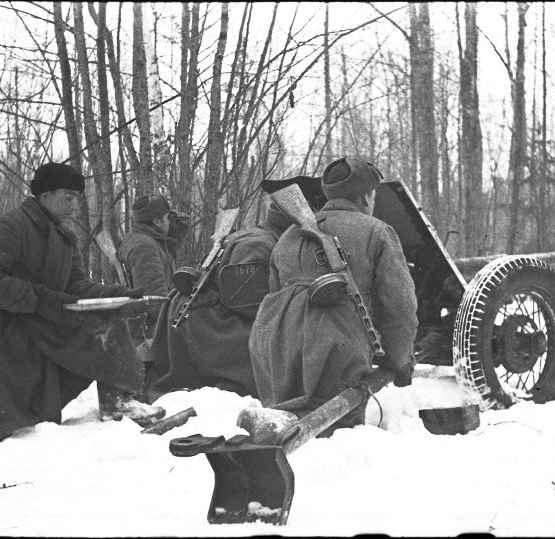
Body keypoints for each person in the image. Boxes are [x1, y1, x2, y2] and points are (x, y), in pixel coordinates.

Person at [0, 162, 165, 441]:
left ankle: (117, 401)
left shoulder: (65, 238)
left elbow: (76, 285)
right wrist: (40, 299)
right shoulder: (10, 226)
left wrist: (118, 294)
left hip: (44, 324)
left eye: (77, 199)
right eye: (68, 197)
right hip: (1, 329)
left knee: (105, 324)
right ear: (45, 195)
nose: (74, 206)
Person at [248, 157, 418, 432]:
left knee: (289, 424)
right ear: (365, 197)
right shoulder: (376, 231)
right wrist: (398, 361)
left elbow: (274, 291)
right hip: (334, 348)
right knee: (338, 434)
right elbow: (400, 307)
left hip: (274, 349)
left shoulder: (288, 235)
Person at [142, 175, 326, 403]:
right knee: (274, 360)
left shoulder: (270, 238)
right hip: (205, 322)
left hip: (206, 316)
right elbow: (250, 306)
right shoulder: (259, 244)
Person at [117, 194, 189, 342]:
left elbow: (171, 247)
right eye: (167, 218)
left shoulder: (138, 237)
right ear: (157, 221)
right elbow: (155, 301)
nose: (170, 222)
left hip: (152, 325)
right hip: (152, 332)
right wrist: (184, 321)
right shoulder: (145, 247)